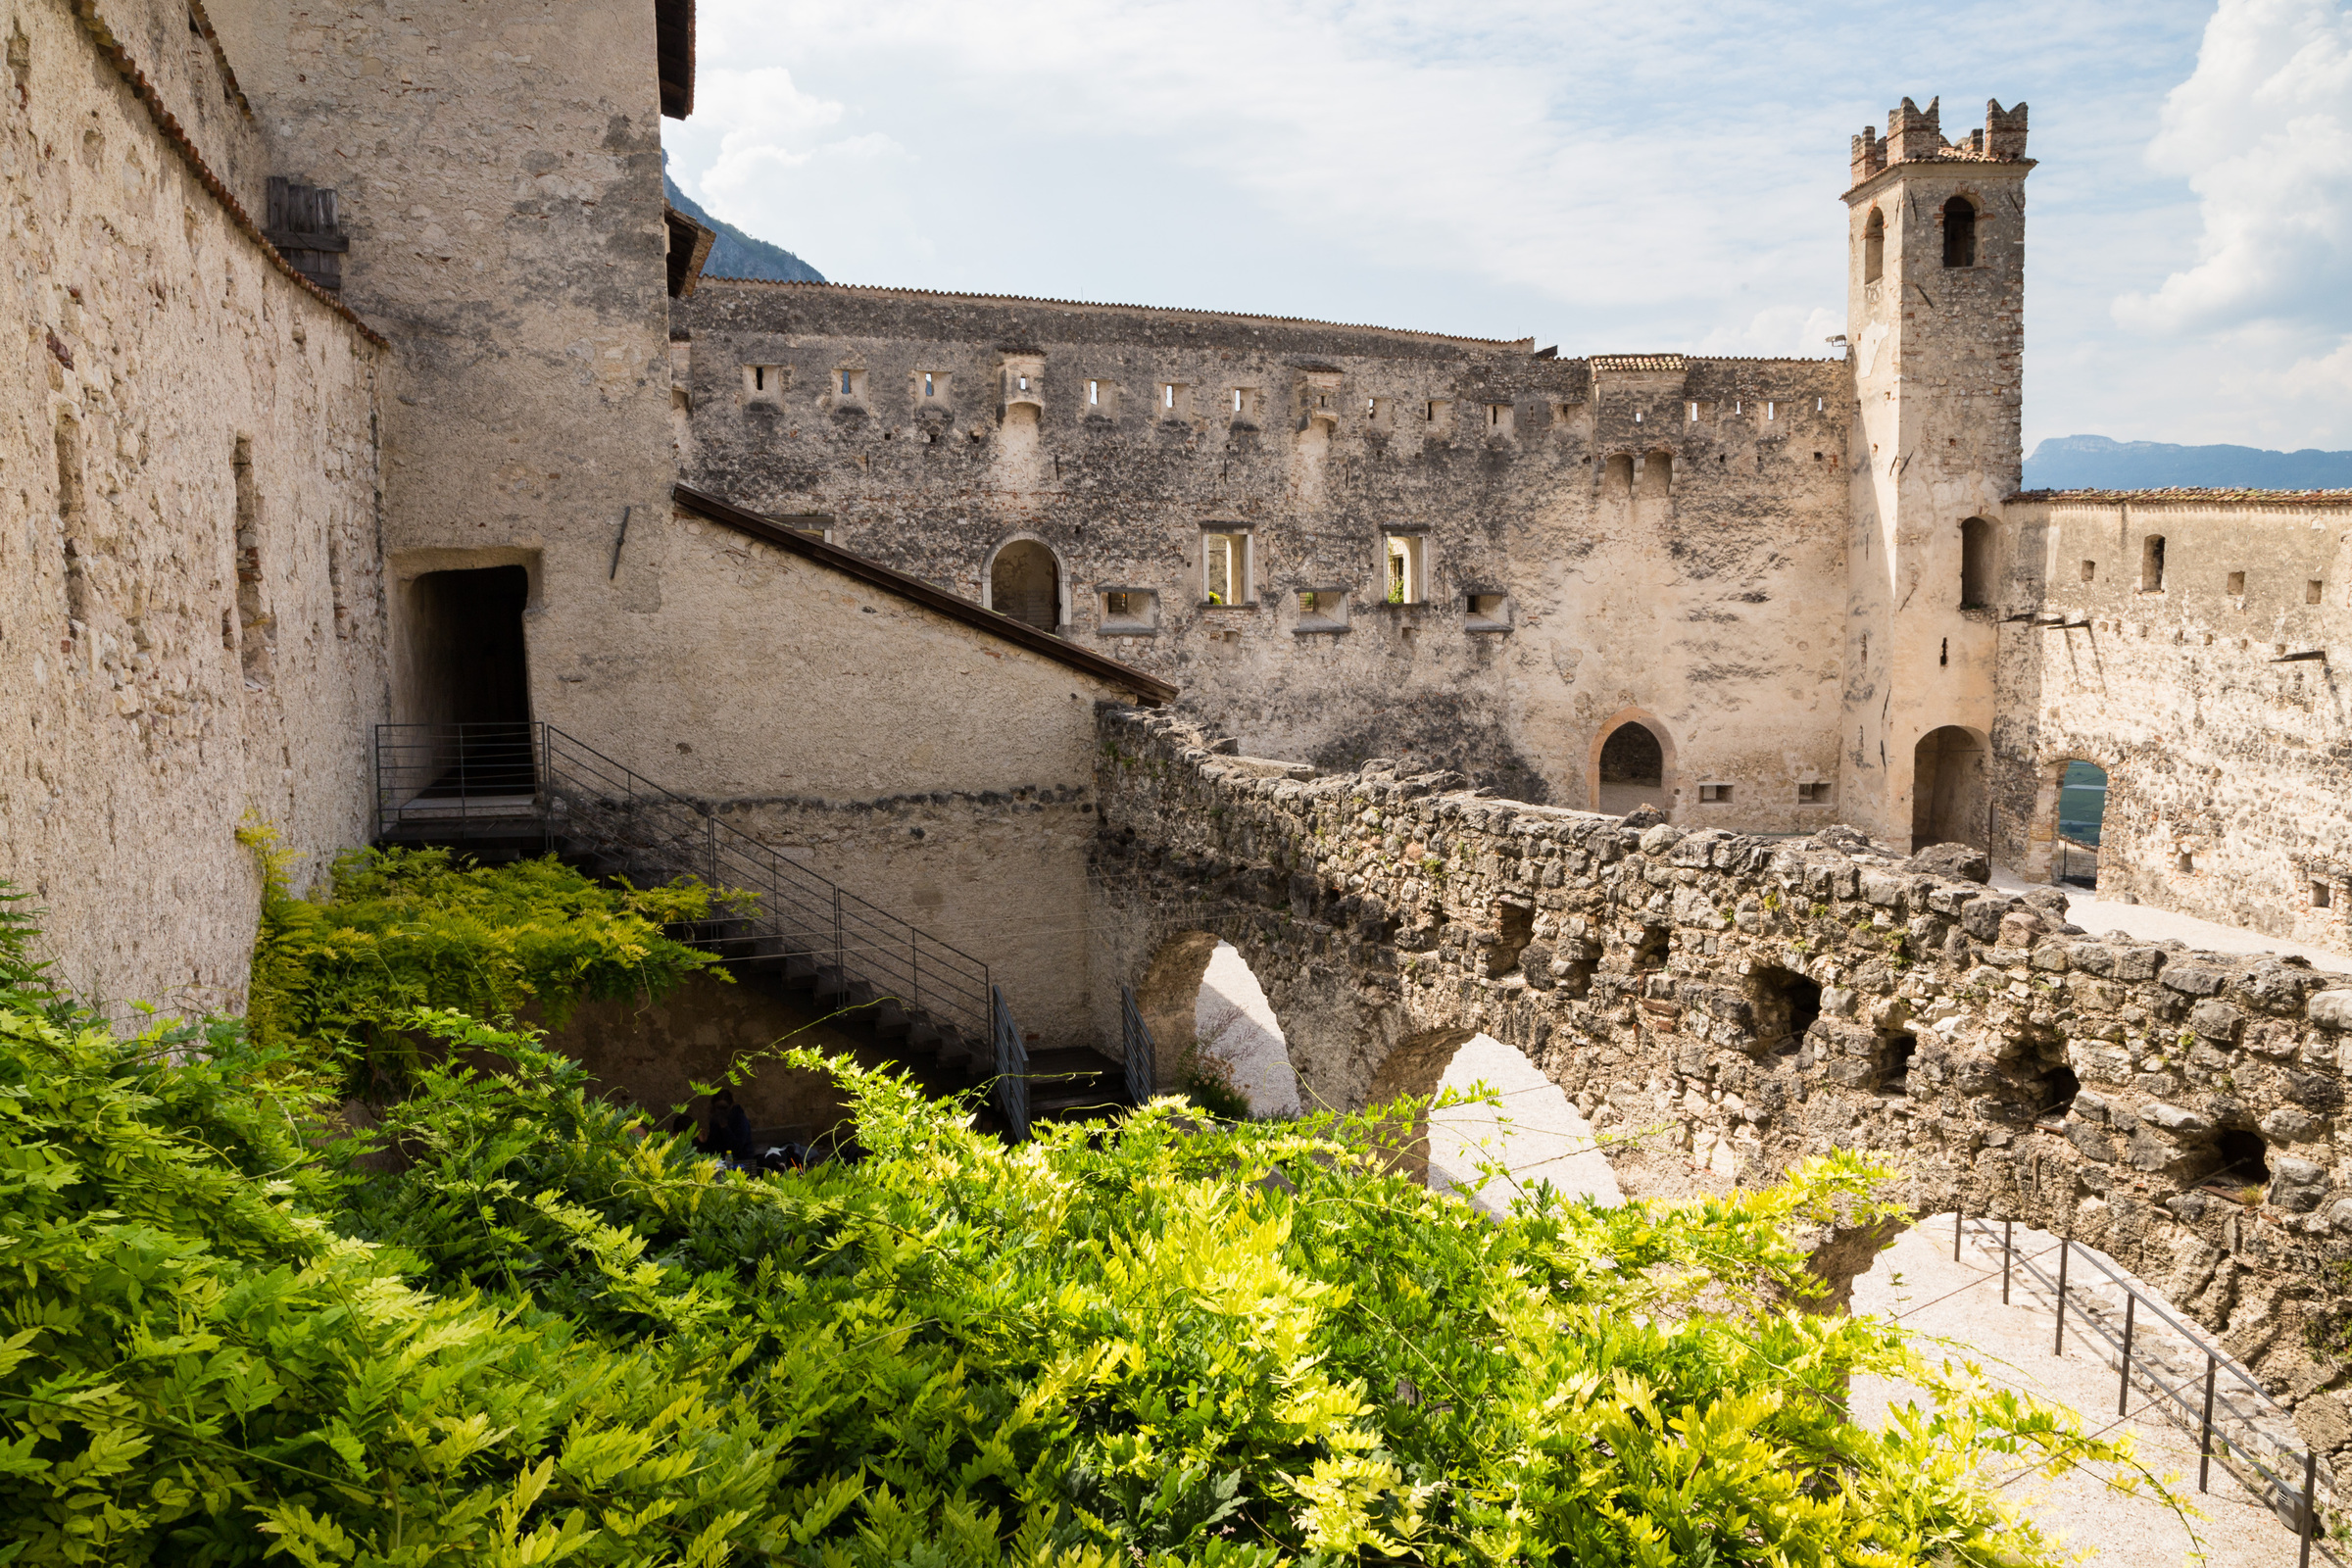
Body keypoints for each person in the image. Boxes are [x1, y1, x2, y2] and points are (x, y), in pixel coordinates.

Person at [709, 1088, 754, 1162]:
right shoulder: (715, 1119)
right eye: (718, 1108)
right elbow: (713, 1146)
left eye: (724, 1108)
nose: (721, 1111)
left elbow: (737, 1148)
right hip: (721, 1161)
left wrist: (725, 1128)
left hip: (742, 1161)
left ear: (731, 1106)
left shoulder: (740, 1119)